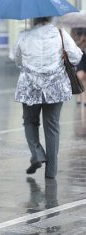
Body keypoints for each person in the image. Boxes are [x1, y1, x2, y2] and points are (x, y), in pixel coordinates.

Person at [14, 16, 82, 179]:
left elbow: (17, 59)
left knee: (30, 121)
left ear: (33, 18)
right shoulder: (61, 34)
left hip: (30, 86)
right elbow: (76, 57)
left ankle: (37, 154)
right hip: (55, 87)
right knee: (52, 126)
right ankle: (51, 171)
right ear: (51, 17)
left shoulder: (24, 35)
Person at [72, 28, 86, 105]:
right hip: (80, 55)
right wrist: (81, 41)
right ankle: (79, 96)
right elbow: (72, 44)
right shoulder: (75, 29)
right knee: (80, 76)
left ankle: (84, 99)